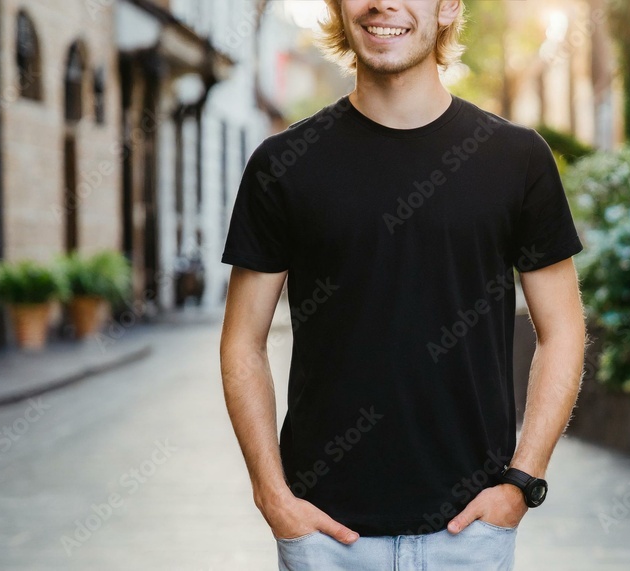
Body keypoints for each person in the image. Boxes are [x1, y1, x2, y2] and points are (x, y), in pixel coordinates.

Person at [219, 1, 586, 569]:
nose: (381, 4)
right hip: (325, 538)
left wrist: (523, 482)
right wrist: (274, 498)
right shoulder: (284, 164)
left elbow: (563, 331)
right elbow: (243, 341)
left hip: (470, 537)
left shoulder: (517, 160)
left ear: (446, 8)